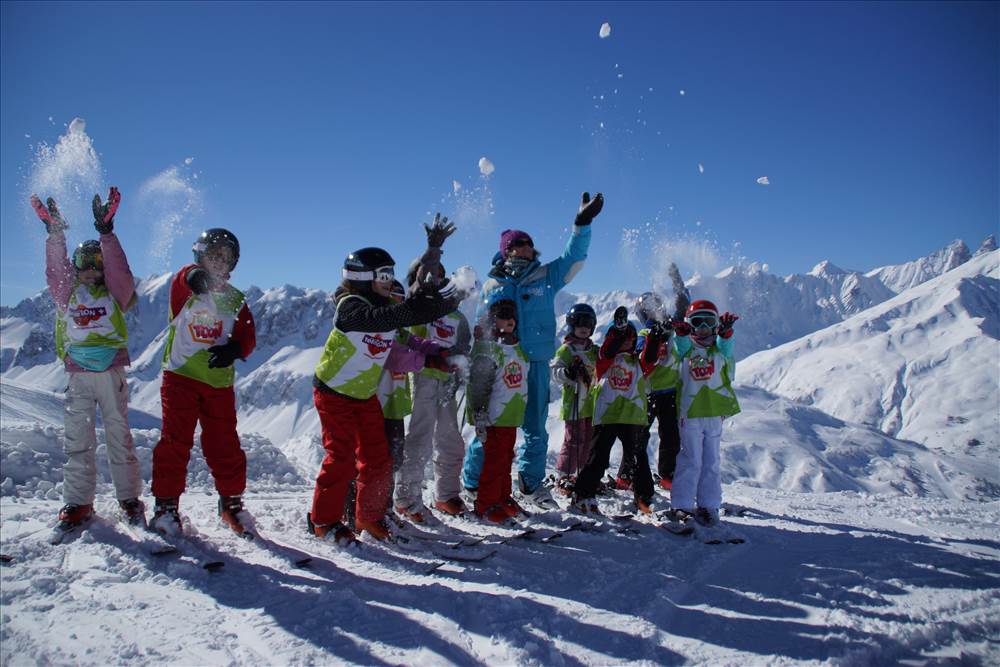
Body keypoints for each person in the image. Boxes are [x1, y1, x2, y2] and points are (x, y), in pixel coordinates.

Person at [307, 217, 461, 544]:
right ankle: (324, 521)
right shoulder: (351, 306)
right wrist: (417, 309)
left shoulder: (388, 307)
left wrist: (434, 355)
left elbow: (406, 331)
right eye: (383, 276)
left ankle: (370, 516)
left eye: (390, 275)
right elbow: (383, 318)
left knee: (379, 459)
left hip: (363, 396)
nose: (389, 282)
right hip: (333, 394)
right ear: (362, 278)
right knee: (341, 458)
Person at [462, 191, 604, 509]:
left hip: (537, 362)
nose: (525, 249)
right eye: (517, 245)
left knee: (535, 429)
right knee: (489, 426)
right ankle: (473, 482)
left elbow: (574, 259)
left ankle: (532, 484)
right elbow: (481, 328)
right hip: (502, 366)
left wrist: (582, 224)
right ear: (506, 251)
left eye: (527, 244)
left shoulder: (545, 276)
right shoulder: (492, 285)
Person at [31, 188, 144, 536]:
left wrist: (105, 234)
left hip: (110, 371)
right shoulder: (68, 294)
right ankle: (79, 500)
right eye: (84, 263)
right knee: (78, 439)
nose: (92, 270)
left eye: (97, 264)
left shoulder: (115, 293)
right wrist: (56, 235)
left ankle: (129, 499)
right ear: (75, 268)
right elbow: (55, 273)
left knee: (118, 436)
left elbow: (121, 272)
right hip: (79, 374)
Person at [150, 228, 257, 537]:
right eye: (213, 255)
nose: (219, 262)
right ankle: (166, 507)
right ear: (200, 256)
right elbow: (186, 276)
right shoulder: (186, 288)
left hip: (218, 385)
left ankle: (231, 503)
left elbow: (247, 337)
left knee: (225, 444)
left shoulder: (236, 300)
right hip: (180, 378)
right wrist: (198, 278)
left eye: (226, 258)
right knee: (174, 442)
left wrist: (234, 350)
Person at [393, 260, 472, 522]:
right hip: (423, 378)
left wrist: (460, 364)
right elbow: (409, 340)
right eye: (428, 275)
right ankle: (406, 499)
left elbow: (463, 346)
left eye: (440, 276)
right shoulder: (417, 309)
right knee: (419, 439)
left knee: (450, 440)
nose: (435, 280)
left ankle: (446, 495)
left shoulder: (457, 316)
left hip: (448, 381)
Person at [571, 306, 660, 514]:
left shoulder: (638, 362)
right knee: (598, 458)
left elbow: (652, 357)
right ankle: (583, 494)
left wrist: (655, 338)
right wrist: (617, 333)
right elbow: (608, 349)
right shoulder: (604, 360)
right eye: (623, 336)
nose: (627, 340)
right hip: (608, 415)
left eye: (630, 336)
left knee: (638, 459)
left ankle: (644, 496)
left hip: (632, 416)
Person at [616, 264, 691, 490]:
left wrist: (676, 280)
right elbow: (639, 358)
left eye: (655, 307)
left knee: (670, 437)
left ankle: (666, 475)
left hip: (667, 393)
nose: (652, 312)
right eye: (648, 310)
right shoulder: (644, 334)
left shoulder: (671, 326)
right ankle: (627, 475)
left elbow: (684, 302)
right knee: (639, 436)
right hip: (647, 394)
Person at [666, 300, 740, 526]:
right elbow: (679, 349)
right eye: (698, 322)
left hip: (714, 413)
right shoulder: (687, 349)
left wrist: (726, 334)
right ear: (690, 325)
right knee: (691, 459)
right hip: (691, 413)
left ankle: (709, 505)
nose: (704, 328)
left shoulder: (720, 350)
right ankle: (682, 505)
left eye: (710, 321)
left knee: (711, 461)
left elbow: (726, 346)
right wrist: (680, 335)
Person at [465, 299, 530, 524]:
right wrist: (480, 414)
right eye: (504, 315)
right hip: (493, 416)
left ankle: (502, 497)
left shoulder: (516, 346)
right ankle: (485, 504)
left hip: (510, 416)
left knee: (505, 459)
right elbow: (479, 384)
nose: (510, 320)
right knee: (494, 462)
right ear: (494, 320)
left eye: (513, 316)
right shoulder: (489, 348)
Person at [549, 303, 598, 496]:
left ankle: (582, 474)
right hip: (574, 403)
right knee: (574, 440)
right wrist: (567, 372)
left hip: (591, 403)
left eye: (588, 323)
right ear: (571, 324)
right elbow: (554, 372)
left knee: (588, 440)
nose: (584, 327)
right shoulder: (566, 350)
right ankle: (565, 475)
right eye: (579, 323)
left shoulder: (594, 350)